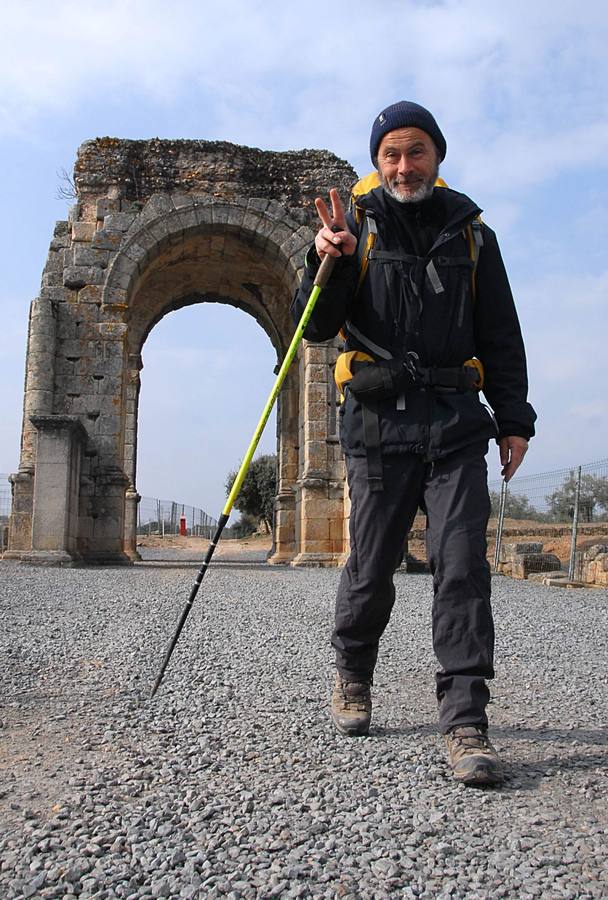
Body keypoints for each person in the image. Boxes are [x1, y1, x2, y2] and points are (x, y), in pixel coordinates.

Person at [291, 101, 536, 786]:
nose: (404, 165)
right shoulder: (351, 226)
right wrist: (330, 263)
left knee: (461, 569)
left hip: (456, 423)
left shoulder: (473, 235)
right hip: (377, 427)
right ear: (378, 160)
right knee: (371, 567)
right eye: (392, 153)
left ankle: (465, 721)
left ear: (437, 156)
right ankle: (353, 670)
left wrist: (514, 419)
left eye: (417, 151)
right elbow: (315, 328)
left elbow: (501, 334)